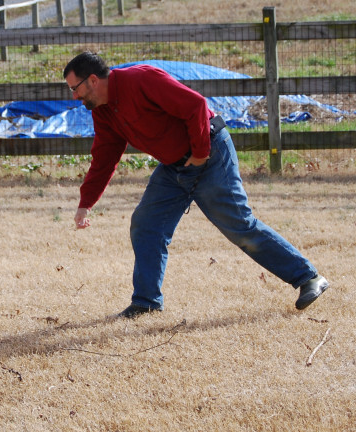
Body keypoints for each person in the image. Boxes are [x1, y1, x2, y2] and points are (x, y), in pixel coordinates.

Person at [63, 51, 329, 318]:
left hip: (210, 153)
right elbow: (105, 154)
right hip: (174, 167)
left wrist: (200, 154)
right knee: (146, 224)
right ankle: (146, 302)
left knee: (239, 225)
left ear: (93, 80)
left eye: (75, 88)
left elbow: (195, 105)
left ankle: (309, 278)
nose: (74, 96)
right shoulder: (103, 110)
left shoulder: (141, 79)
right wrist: (86, 202)